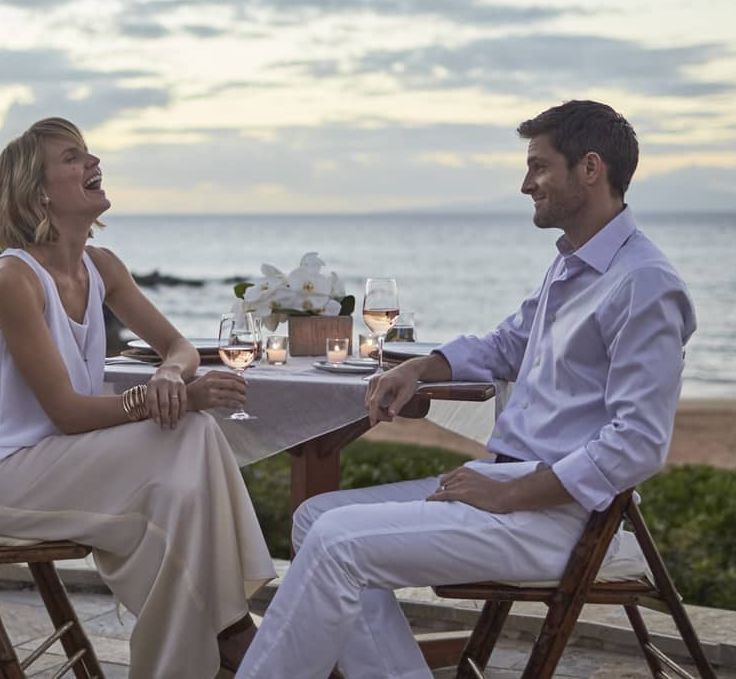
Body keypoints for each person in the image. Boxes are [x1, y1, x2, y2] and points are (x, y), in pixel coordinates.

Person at [237, 100, 697, 679]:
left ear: (590, 168)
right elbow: (508, 344)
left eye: (538, 167)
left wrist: (512, 493)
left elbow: (637, 444)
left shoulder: (645, 284)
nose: (525, 183)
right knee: (315, 518)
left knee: (336, 541)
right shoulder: (574, 265)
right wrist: (422, 367)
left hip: (562, 517)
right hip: (513, 487)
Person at [0, 117, 274, 678]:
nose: (93, 163)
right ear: (38, 191)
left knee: (188, 452)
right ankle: (233, 633)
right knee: (186, 437)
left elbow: (179, 346)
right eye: (73, 157)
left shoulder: (102, 266)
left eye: (89, 154)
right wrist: (171, 397)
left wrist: (171, 376)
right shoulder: (12, 280)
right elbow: (70, 414)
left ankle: (222, 640)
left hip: (66, 468)